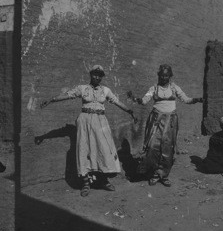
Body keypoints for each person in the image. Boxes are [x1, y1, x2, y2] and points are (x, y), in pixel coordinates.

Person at [40, 65, 137, 197]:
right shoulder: (82, 88)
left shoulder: (106, 90)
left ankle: (103, 180)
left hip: (100, 122)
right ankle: (85, 183)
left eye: (100, 75)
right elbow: (68, 94)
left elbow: (117, 101)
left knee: (103, 149)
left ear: (102, 77)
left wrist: (129, 111)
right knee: (84, 149)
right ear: (90, 75)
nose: (97, 77)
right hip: (84, 121)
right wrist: (52, 99)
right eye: (94, 74)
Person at [129, 64, 203, 187]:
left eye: (166, 75)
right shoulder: (154, 88)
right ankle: (154, 174)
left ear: (170, 76)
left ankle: (163, 175)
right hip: (155, 121)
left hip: (170, 121)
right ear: (159, 75)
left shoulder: (174, 88)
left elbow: (186, 99)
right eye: (162, 75)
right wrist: (135, 99)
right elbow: (144, 100)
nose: (164, 77)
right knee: (152, 147)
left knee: (167, 148)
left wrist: (198, 99)